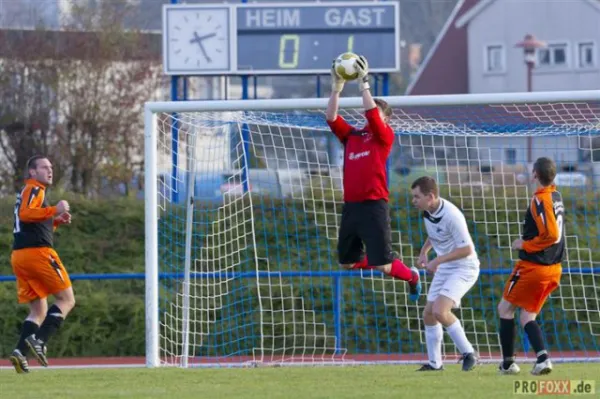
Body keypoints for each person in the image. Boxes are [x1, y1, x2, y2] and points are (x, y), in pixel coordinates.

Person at [325, 55, 421, 301]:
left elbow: (371, 114)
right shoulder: (353, 137)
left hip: (373, 206)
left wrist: (363, 83)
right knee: (347, 263)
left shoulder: (384, 136)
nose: (368, 116)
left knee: (384, 268)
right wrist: (337, 89)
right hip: (351, 207)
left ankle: (412, 276)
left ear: (385, 119)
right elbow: (331, 118)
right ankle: (383, 259)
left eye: (375, 114)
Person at [497, 157, 564, 376]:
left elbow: (552, 234)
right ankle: (543, 359)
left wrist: (524, 244)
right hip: (553, 269)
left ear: (535, 174)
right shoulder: (556, 196)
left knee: (505, 309)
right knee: (527, 317)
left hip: (533, 267)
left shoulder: (541, 199)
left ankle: (508, 363)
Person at [9, 155, 75, 373]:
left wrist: (54, 222)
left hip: (20, 256)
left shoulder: (29, 193)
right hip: (38, 254)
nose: (50, 170)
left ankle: (20, 351)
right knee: (67, 299)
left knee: (39, 309)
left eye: (51, 167)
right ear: (32, 172)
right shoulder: (35, 189)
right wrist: (55, 209)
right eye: (44, 167)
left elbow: (31, 223)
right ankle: (39, 340)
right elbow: (27, 214)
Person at [410, 176, 479, 371]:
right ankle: (435, 364)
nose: (414, 201)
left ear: (430, 196)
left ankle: (469, 354)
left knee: (440, 311)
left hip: (464, 267)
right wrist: (424, 252)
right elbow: (435, 235)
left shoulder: (452, 215)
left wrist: (437, 261)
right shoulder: (428, 212)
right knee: (429, 314)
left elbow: (467, 249)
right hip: (447, 265)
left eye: (417, 197)